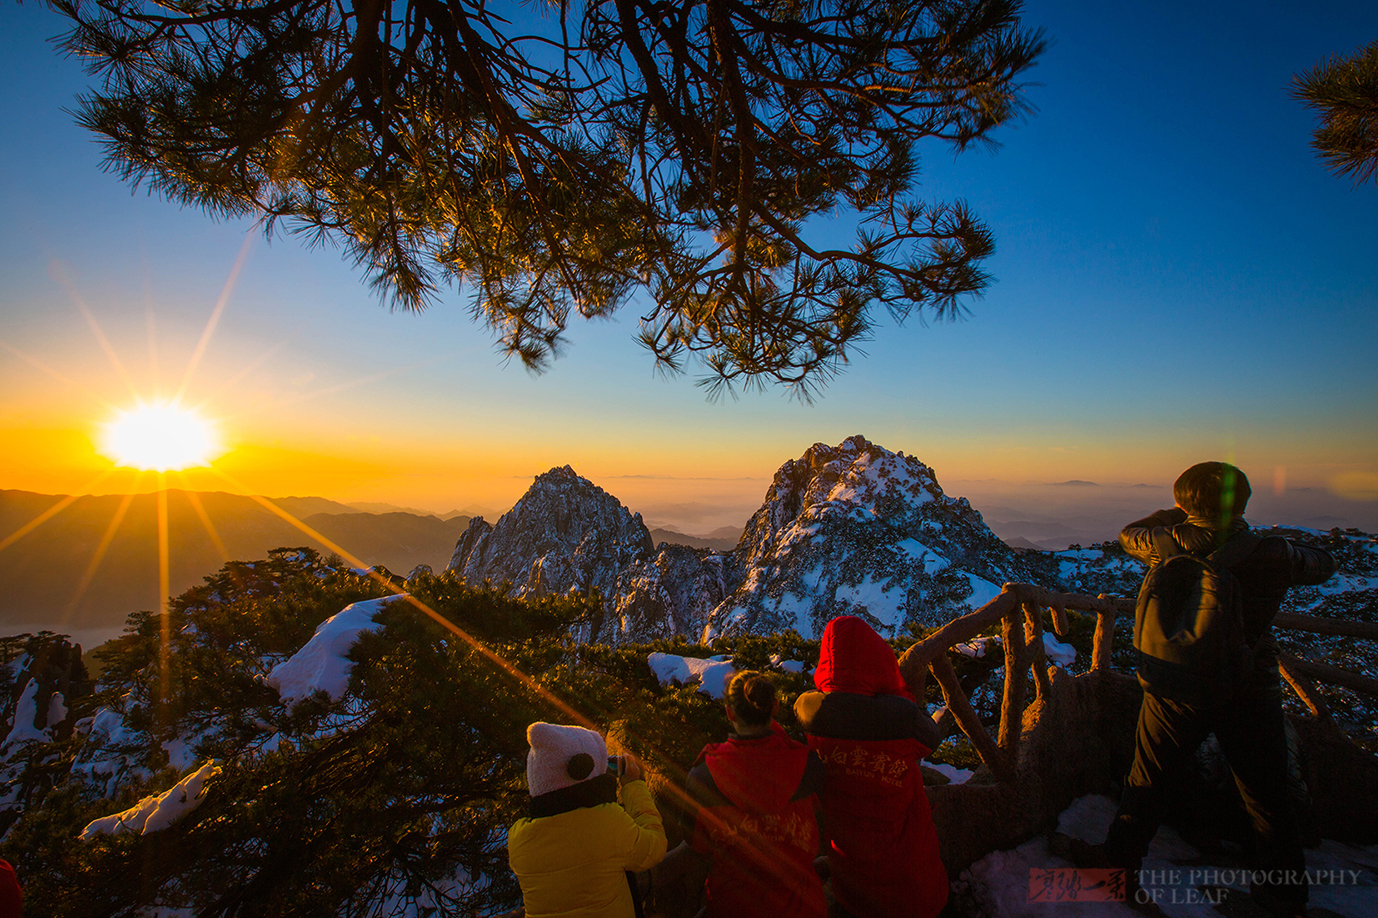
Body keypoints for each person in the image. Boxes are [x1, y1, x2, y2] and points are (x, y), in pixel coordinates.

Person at [1099, 461, 1336, 916]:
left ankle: (1117, 868)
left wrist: (1178, 516)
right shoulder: (1271, 554)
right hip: (1249, 687)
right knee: (1266, 791)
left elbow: (1129, 532)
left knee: (1147, 779)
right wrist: (1271, 536)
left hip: (1176, 684)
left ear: (1183, 502)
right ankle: (1283, 892)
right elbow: (1324, 563)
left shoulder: (1161, 545)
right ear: (1243, 502)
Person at [794, 616, 948, 918]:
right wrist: (899, 696)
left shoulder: (812, 716)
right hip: (915, 890)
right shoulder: (902, 719)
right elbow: (931, 740)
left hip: (852, 889)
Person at [682, 670, 827, 918]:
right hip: (802, 907)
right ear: (775, 708)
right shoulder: (807, 766)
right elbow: (823, 826)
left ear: (730, 712)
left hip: (732, 906)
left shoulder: (704, 776)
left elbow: (696, 841)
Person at [508, 721, 667, 918]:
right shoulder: (606, 822)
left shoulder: (518, 838)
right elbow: (655, 845)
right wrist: (633, 785)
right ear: (582, 768)